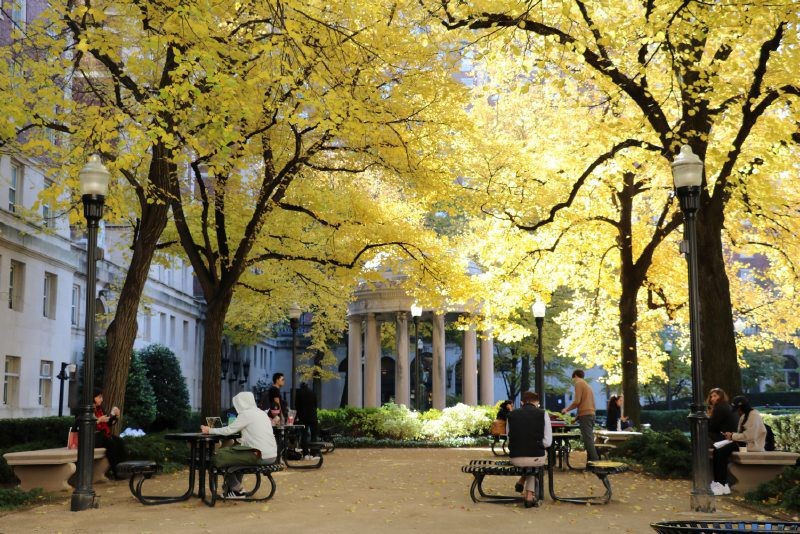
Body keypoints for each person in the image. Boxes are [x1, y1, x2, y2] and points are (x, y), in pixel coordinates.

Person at [201, 391, 278, 499]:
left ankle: (237, 489)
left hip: (259, 455)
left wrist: (210, 430)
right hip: (271, 455)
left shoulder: (246, 414)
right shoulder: (261, 413)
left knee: (219, 457)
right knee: (235, 456)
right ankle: (233, 490)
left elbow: (229, 430)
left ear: (241, 403)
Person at [711, 395, 767, 496]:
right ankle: (719, 483)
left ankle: (722, 483)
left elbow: (750, 436)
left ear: (742, 407)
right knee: (717, 450)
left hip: (752, 445)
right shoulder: (744, 416)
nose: (737, 411)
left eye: (738, 409)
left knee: (722, 452)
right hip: (743, 443)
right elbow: (741, 435)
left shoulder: (754, 415)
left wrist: (732, 435)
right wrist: (731, 436)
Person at [507, 391, 552, 508]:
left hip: (515, 458)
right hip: (535, 458)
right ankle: (529, 494)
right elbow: (547, 442)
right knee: (534, 461)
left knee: (531, 463)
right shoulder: (543, 414)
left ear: (522, 402)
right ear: (537, 403)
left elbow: (509, 439)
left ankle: (522, 481)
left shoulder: (511, 415)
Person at [562, 369, 599, 462]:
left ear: (575, 376)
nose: (573, 381)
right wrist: (576, 418)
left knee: (588, 440)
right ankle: (590, 464)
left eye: (573, 378)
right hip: (590, 414)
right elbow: (585, 404)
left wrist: (566, 409)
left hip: (586, 416)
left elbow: (577, 401)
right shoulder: (587, 385)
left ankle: (596, 462)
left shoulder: (578, 383)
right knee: (588, 439)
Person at [92, 388, 127, 479]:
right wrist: (98, 420)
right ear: (92, 398)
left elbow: (108, 423)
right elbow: (84, 425)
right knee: (111, 443)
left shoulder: (100, 409)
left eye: (101, 397)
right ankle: (116, 472)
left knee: (120, 441)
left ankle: (123, 469)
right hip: (92, 437)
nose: (101, 399)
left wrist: (115, 416)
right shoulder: (87, 409)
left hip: (103, 435)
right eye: (99, 397)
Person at [295, 382, 319, 460]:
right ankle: (313, 453)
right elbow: (315, 405)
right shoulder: (312, 393)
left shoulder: (299, 393)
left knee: (304, 435)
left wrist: (299, 415)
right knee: (313, 435)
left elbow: (297, 406)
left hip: (303, 417)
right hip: (313, 416)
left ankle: (305, 454)